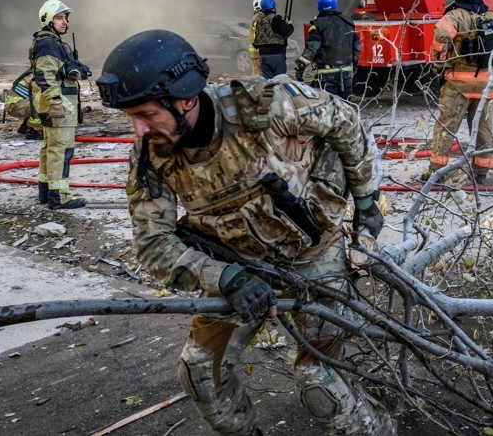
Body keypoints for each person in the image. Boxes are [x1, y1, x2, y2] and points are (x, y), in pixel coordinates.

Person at [95, 30, 394, 436]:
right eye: (131, 117)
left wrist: (365, 202)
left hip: (314, 256)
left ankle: (374, 428)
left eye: (146, 115)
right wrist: (226, 278)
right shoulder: (151, 159)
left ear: (184, 99)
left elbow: (346, 123)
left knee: (319, 383)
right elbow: (152, 243)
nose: (138, 130)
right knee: (200, 373)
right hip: (236, 267)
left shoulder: (267, 105)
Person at [421, 0, 493, 186]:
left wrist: (440, 63)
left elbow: (441, 37)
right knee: (483, 131)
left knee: (446, 129)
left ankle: (437, 172)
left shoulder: (454, 16)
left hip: (458, 86)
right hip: (487, 87)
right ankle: (481, 173)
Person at [30, 0, 88, 210]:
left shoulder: (53, 42)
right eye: (58, 18)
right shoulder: (48, 43)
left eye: (65, 18)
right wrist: (55, 102)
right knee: (61, 150)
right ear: (47, 19)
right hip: (59, 106)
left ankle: (46, 193)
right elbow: (45, 75)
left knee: (50, 148)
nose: (64, 22)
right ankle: (59, 197)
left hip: (54, 104)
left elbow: (55, 71)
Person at [295, 0, 361, 101]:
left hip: (326, 75)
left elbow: (311, 50)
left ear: (319, 6)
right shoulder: (348, 23)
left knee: (329, 108)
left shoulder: (317, 25)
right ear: (335, 2)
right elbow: (357, 47)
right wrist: (354, 65)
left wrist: (300, 68)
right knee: (345, 108)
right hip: (346, 74)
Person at [251, 0, 295, 79]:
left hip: (263, 56)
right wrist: (289, 25)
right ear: (273, 8)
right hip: (277, 55)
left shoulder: (259, 20)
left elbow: (256, 41)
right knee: (279, 82)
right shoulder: (277, 19)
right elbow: (287, 32)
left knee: (268, 83)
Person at [3, 68, 43, 140]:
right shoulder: (40, 75)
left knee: (39, 100)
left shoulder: (37, 70)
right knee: (46, 102)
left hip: (17, 104)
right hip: (17, 106)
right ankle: (35, 130)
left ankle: (25, 126)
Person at [248, 0, 265, 75]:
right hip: (259, 52)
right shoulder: (260, 18)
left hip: (255, 52)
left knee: (256, 73)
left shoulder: (255, 17)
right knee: (260, 75)